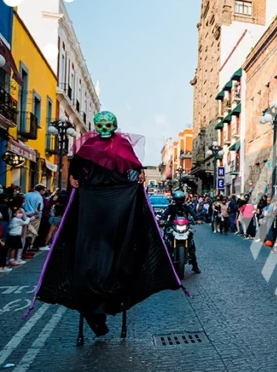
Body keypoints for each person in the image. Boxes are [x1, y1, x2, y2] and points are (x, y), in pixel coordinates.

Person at [30, 111, 182, 338]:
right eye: (100, 123)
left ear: (114, 125)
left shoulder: (122, 144)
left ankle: (109, 305)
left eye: (108, 123)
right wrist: (73, 177)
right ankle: (95, 315)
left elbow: (134, 166)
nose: (104, 127)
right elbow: (76, 166)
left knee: (118, 261)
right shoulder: (89, 145)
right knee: (89, 266)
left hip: (120, 201)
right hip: (92, 203)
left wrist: (139, 173)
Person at [163, 190, 201, 273]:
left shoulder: (187, 207)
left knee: (191, 245)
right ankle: (164, 262)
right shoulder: (171, 207)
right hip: (173, 226)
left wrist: (197, 219)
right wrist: (162, 220)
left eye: (180, 200)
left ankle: (195, 266)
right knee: (166, 241)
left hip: (185, 226)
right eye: (177, 200)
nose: (179, 201)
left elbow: (193, 214)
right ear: (175, 200)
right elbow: (165, 215)